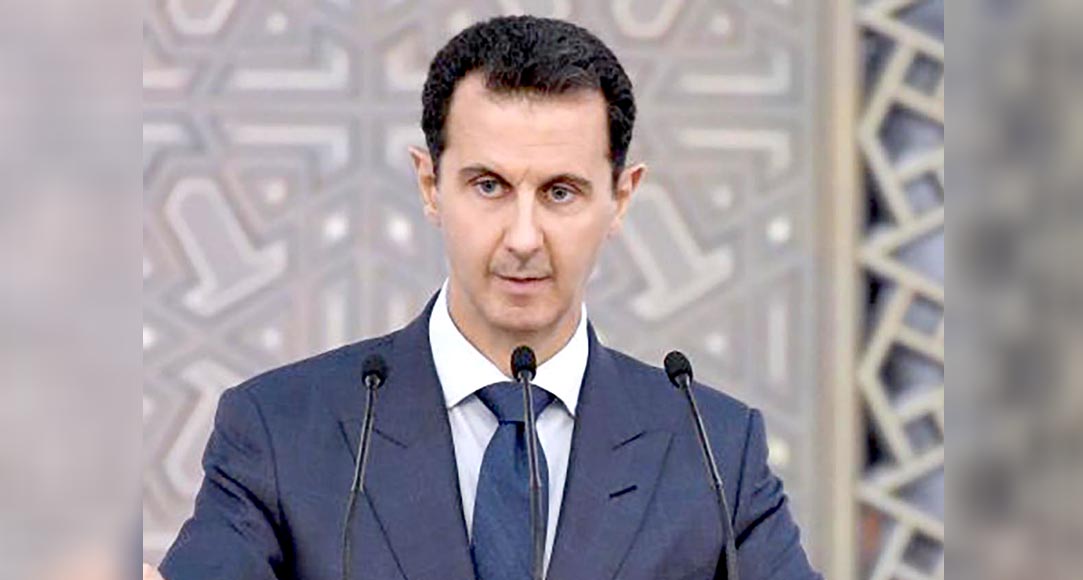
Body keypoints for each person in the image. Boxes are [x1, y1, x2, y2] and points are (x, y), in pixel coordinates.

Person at [145, 15, 820, 580]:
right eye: (489, 186)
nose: (523, 238)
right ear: (430, 185)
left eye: (560, 192)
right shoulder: (281, 428)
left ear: (621, 198)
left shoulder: (712, 448)